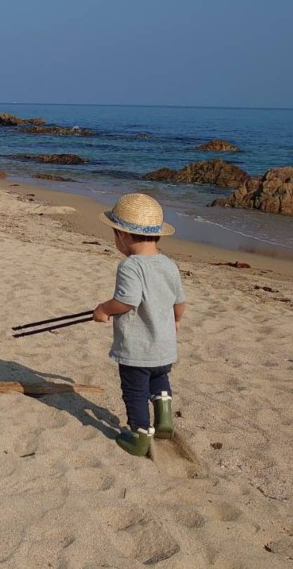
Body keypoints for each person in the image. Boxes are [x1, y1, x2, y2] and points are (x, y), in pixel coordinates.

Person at [91, 193, 186, 457]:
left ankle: (140, 437)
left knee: (134, 391)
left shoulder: (130, 266)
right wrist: (177, 320)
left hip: (137, 349)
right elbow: (180, 302)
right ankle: (164, 418)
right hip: (164, 347)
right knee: (159, 378)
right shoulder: (169, 264)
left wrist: (103, 309)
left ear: (122, 235)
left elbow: (126, 301)